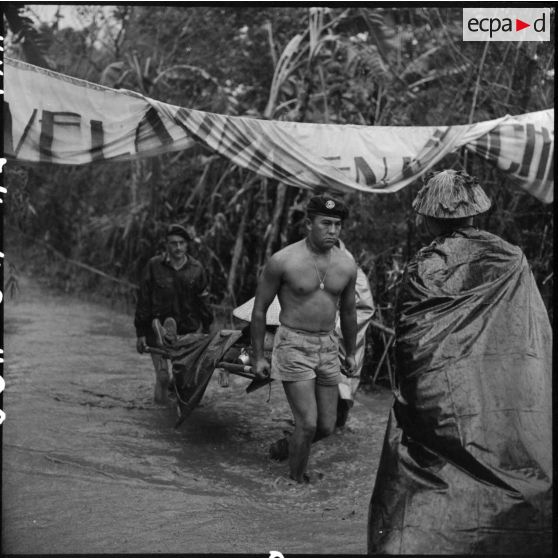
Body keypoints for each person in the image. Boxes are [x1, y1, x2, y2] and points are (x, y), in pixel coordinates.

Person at [367, 170, 552, 554]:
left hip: (441, 388)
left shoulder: (427, 265)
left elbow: (414, 344)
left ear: (430, 217)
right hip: (500, 381)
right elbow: (528, 333)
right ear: (475, 213)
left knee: (433, 459)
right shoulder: (510, 256)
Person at [251, 194, 358, 483]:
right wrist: (259, 355)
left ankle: (286, 446)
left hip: (328, 345)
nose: (332, 231)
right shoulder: (283, 261)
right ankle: (295, 483)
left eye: (337, 225)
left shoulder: (346, 264)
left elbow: (348, 312)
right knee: (308, 423)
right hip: (293, 344)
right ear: (309, 223)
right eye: (326, 223)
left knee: (326, 425)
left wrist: (350, 352)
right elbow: (260, 310)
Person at [135, 224, 213, 404]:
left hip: (188, 332)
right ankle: (160, 418)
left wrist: (208, 330)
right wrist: (140, 334)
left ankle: (175, 397)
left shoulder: (197, 268)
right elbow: (143, 300)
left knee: (183, 379)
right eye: (173, 243)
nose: (177, 248)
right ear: (166, 245)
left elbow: (204, 301)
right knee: (162, 377)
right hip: (157, 330)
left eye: (181, 243)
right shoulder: (154, 266)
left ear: (187, 245)